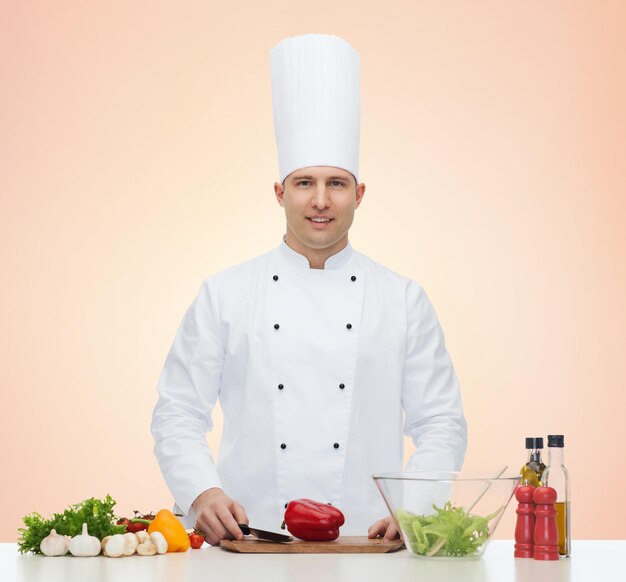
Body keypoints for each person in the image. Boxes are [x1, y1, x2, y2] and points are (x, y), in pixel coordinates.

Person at [151, 33, 467, 546]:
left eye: (336, 184)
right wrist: (202, 493)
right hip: (248, 543)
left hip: (370, 547)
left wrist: (416, 509)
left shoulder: (403, 299)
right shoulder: (225, 295)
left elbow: (441, 422)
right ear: (280, 191)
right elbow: (177, 411)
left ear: (359, 194)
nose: (320, 201)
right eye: (304, 183)